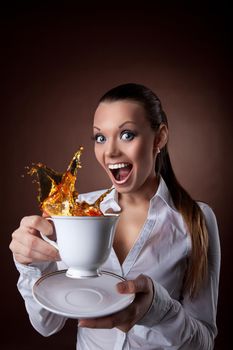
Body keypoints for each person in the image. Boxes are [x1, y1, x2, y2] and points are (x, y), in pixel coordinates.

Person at [9, 83, 220, 349]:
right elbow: (46, 324)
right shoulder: (75, 211)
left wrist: (159, 310)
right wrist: (31, 265)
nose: (109, 152)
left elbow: (204, 342)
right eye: (100, 137)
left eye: (127, 134)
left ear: (159, 138)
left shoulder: (197, 219)